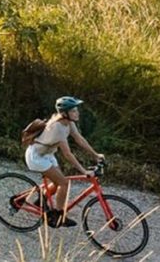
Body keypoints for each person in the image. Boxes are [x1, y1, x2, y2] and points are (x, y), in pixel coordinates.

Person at [21, 96, 104, 228]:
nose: (77, 113)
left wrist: (95, 155)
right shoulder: (58, 128)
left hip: (47, 154)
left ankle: (40, 201)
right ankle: (58, 215)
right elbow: (67, 154)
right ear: (65, 113)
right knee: (64, 183)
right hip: (36, 157)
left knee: (57, 182)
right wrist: (84, 171)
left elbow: (79, 139)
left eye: (76, 110)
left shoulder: (68, 123)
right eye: (74, 111)